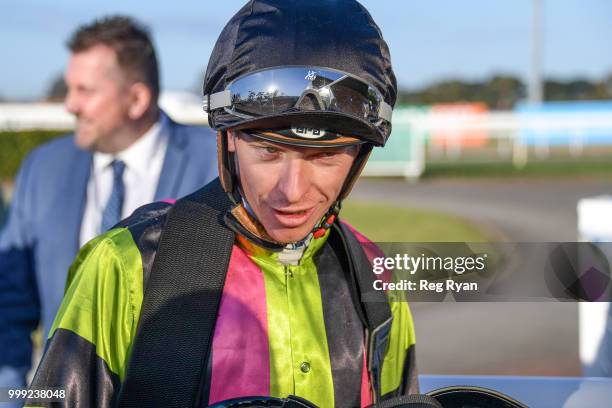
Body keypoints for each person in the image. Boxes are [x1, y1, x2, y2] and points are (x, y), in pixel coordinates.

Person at [27, 1, 417, 406]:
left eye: (325, 157)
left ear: (360, 155)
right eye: (268, 151)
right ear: (229, 137)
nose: (292, 190)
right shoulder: (122, 265)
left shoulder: (378, 278)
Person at [0, 15, 217, 392]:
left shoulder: (214, 163)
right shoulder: (42, 168)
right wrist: (16, 395)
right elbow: (8, 303)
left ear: (136, 98)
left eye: (84, 91)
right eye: (70, 89)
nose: (70, 105)